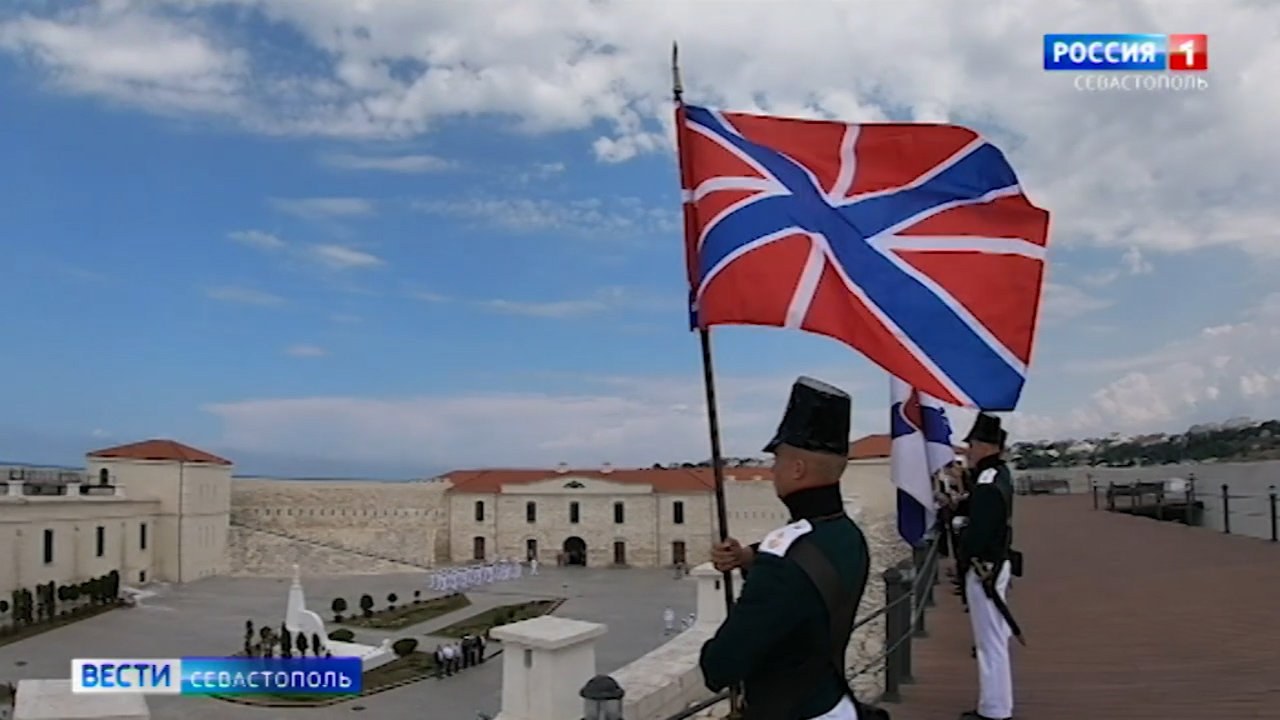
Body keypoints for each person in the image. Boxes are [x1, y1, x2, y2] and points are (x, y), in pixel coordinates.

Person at [699, 376, 879, 720]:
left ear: (797, 469)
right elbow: (809, 559)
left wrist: (713, 654)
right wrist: (748, 557)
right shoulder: (847, 534)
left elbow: (720, 666)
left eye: (777, 460)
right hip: (834, 704)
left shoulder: (783, 563)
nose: (772, 471)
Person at [956, 413, 1016, 720]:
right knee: (994, 638)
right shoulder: (997, 474)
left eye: (973, 445)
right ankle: (995, 705)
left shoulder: (987, 480)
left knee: (989, 642)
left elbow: (979, 531)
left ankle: (995, 710)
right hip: (995, 562)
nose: (969, 451)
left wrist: (963, 539)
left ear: (985, 446)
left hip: (985, 567)